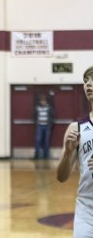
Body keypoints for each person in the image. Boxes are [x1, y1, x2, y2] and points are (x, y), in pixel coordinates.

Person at [56, 65, 93, 237]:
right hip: (86, 206)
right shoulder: (76, 128)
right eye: (86, 81)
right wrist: (68, 153)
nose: (88, 84)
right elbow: (61, 177)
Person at [34, 94, 55, 159]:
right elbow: (34, 116)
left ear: (46, 101)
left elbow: (52, 116)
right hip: (39, 126)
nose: (43, 102)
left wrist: (50, 123)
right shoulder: (37, 108)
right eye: (42, 101)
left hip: (47, 126)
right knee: (38, 140)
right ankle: (37, 156)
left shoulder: (49, 107)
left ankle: (46, 156)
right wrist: (36, 123)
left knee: (46, 141)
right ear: (40, 101)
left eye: (44, 101)